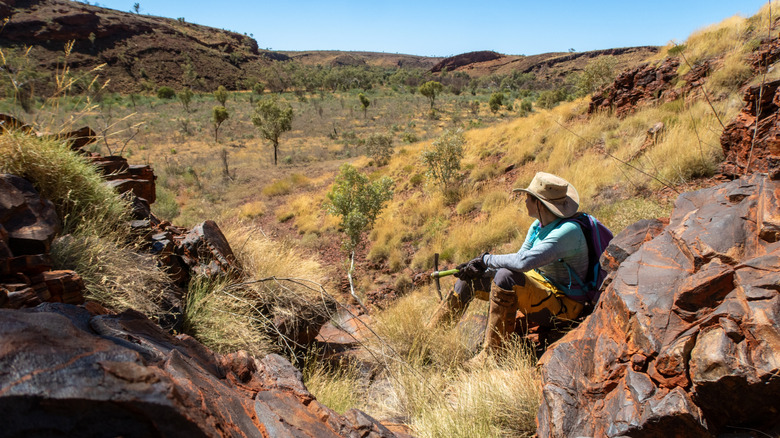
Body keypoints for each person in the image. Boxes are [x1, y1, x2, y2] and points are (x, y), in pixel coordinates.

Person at [427, 172, 589, 362]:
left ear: (539, 202)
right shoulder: (539, 226)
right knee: (470, 280)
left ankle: (492, 355)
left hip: (565, 306)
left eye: (527, 197)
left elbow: (522, 263)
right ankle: (429, 336)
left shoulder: (567, 231)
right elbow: (520, 261)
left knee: (505, 277)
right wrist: (478, 270)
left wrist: (485, 260)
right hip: (541, 289)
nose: (525, 201)